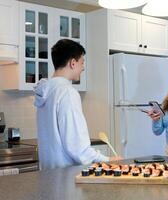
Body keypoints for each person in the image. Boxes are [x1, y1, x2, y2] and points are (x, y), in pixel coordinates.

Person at [34, 39, 121, 170]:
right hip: (67, 178)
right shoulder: (67, 93)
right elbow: (77, 146)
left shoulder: (46, 91)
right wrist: (107, 160)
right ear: (72, 63)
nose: (83, 67)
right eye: (82, 62)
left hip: (48, 175)